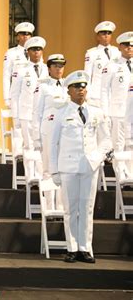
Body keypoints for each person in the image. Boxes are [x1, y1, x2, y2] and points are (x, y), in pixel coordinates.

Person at [49, 70, 111, 263]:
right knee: (70, 209)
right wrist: (54, 170)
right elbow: (53, 143)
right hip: (68, 166)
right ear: (69, 90)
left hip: (89, 166)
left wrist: (98, 157)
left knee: (87, 208)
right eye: (77, 87)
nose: (81, 90)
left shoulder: (96, 112)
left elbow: (106, 140)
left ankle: (85, 248)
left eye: (83, 86)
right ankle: (72, 247)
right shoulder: (61, 113)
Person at [32, 54, 68, 209]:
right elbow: (37, 112)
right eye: (55, 66)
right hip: (48, 132)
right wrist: (36, 137)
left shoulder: (69, 85)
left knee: (62, 170)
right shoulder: (43, 86)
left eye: (61, 66)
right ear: (49, 68)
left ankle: (60, 207)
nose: (59, 69)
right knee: (48, 169)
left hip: (65, 133)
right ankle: (48, 207)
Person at [12, 36, 48, 181]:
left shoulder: (47, 69)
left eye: (39, 49)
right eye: (33, 50)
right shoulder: (21, 70)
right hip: (26, 113)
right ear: (28, 52)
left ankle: (41, 176)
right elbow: (14, 94)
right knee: (28, 146)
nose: (37, 52)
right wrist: (16, 117)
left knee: (42, 146)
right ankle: (30, 176)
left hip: (44, 114)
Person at [100, 31, 133, 179]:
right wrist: (105, 113)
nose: (129, 48)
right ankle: (121, 176)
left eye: (132, 45)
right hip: (118, 111)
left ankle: (131, 173)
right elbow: (104, 90)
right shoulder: (112, 65)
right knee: (119, 144)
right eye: (126, 45)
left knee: (131, 144)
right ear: (120, 47)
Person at [84, 21, 120, 106]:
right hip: (97, 94)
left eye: (109, 33)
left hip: (114, 93)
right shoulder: (91, 53)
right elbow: (87, 75)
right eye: (103, 33)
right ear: (98, 36)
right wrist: (88, 96)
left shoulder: (117, 52)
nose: (106, 36)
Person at [3, 21, 34, 108]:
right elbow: (6, 75)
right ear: (18, 37)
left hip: (32, 96)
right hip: (17, 95)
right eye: (23, 34)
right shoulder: (11, 53)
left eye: (28, 34)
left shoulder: (36, 53)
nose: (26, 36)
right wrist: (7, 98)